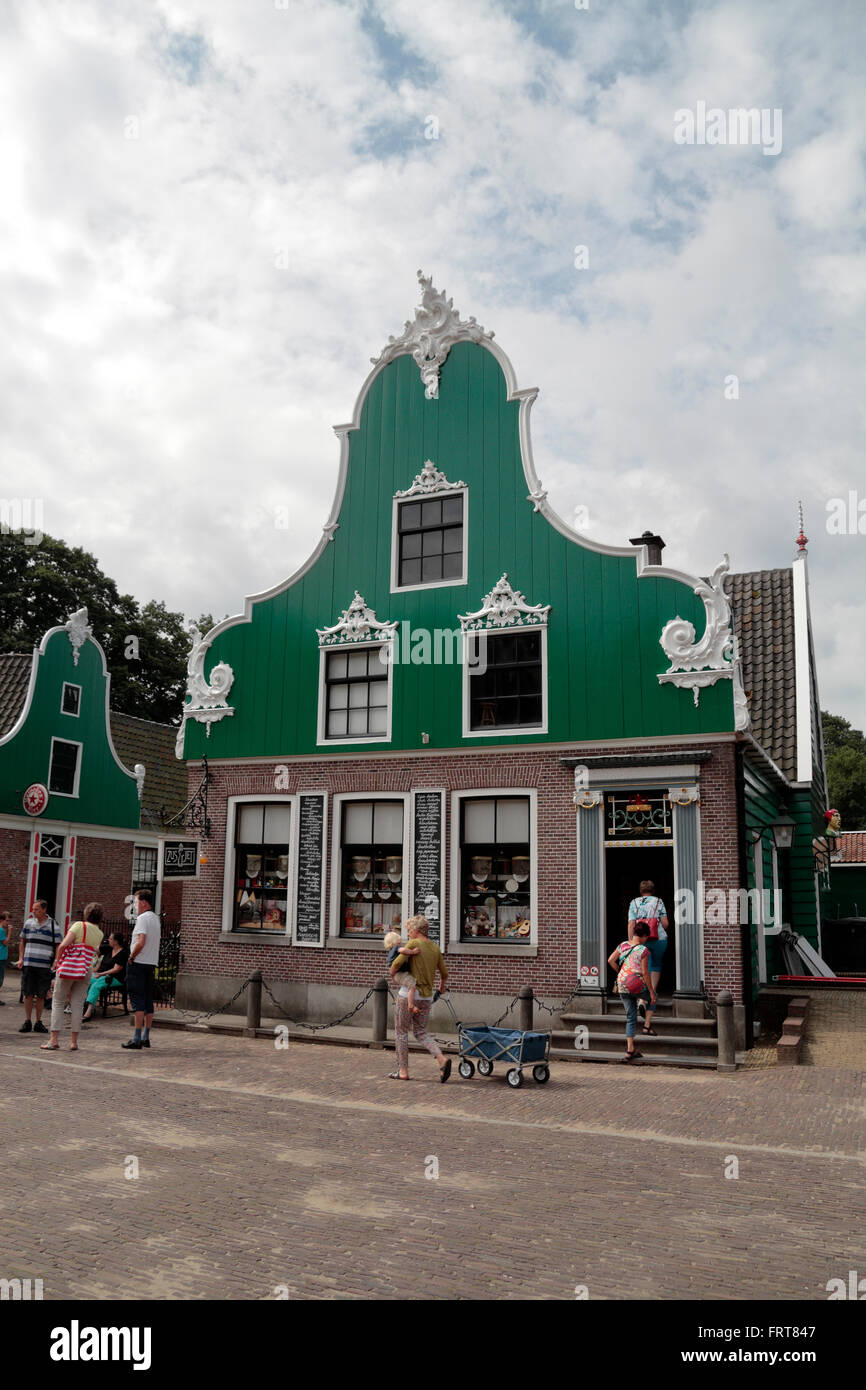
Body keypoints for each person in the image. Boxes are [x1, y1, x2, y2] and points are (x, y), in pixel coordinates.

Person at [388, 915, 451, 1083]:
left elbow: (396, 964)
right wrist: (441, 986)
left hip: (408, 994)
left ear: (417, 930)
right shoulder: (435, 948)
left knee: (401, 1032)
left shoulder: (413, 944)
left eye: (409, 930)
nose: (408, 933)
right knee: (421, 1032)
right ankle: (441, 1059)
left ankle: (403, 1071)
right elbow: (444, 973)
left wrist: (392, 973)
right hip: (426, 997)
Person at [40, 903, 104, 1052]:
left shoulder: (79, 926)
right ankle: (74, 1042)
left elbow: (63, 945)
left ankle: (54, 1040)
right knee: (78, 1004)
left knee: (58, 1002)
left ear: (86, 914)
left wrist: (57, 961)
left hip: (69, 967)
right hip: (85, 969)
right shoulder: (99, 933)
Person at [608, 921, 656, 1062]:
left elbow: (610, 960)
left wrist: (620, 971)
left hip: (622, 984)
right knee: (653, 998)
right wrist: (652, 992)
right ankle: (646, 1024)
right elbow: (645, 973)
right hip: (636, 983)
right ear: (644, 936)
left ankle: (630, 1050)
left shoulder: (623, 945)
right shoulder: (643, 950)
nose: (646, 940)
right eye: (646, 937)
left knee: (630, 1017)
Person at [627, 878, 669, 1036]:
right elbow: (665, 923)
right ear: (653, 890)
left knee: (641, 968)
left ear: (641, 891)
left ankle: (642, 998)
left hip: (639, 940)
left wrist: (631, 942)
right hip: (659, 939)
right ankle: (647, 998)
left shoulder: (634, 903)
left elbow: (631, 924)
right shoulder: (659, 902)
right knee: (655, 967)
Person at [15, 900, 62, 1034]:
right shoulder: (29, 923)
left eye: (36, 909)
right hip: (29, 964)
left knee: (41, 995)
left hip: (44, 965)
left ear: (44, 909)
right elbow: (22, 941)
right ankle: (27, 1021)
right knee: (28, 994)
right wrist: (21, 958)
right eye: (33, 909)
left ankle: (38, 1021)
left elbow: (58, 944)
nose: (33, 912)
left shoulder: (53, 925)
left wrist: (56, 960)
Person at [121, 889, 161, 1051]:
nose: (135, 906)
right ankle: (146, 1037)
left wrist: (132, 956)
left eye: (136, 902)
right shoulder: (156, 919)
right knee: (148, 1000)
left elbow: (141, 941)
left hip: (138, 962)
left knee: (137, 1000)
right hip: (151, 963)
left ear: (144, 903)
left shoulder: (143, 918)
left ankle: (136, 1038)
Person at [81, 931, 129, 1022]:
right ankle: (88, 1005)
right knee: (86, 982)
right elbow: (96, 949)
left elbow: (116, 969)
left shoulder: (123, 953)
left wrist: (101, 974)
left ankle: (88, 1012)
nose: (108, 940)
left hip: (115, 978)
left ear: (116, 941)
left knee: (96, 986)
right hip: (101, 975)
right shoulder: (109, 948)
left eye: (110, 939)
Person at [383, 930, 420, 1014]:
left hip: (397, 975)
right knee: (412, 986)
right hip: (401, 974)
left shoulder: (391, 952)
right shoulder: (396, 948)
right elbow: (403, 950)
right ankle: (411, 1005)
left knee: (408, 986)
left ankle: (406, 1001)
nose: (401, 943)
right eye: (399, 940)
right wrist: (413, 952)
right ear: (395, 942)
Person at [0, 909, 10, 1004]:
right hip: (0, 957)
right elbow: (5, 942)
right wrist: (10, 932)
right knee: (0, 978)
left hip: (2, 957)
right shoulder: (1, 930)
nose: (8, 923)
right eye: (6, 920)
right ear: (1, 920)